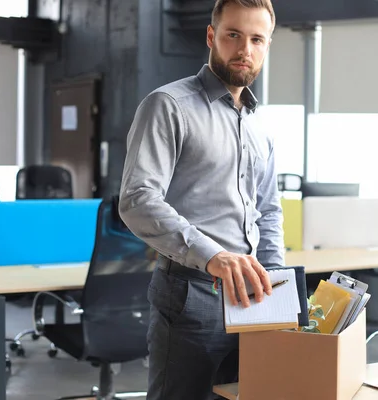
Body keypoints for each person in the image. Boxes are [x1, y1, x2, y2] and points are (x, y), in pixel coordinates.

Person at [118, 0, 284, 398]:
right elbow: (138, 198)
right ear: (212, 36)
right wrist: (212, 255)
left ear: (266, 46)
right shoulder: (169, 106)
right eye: (233, 35)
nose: (245, 49)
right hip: (192, 294)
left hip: (255, 298)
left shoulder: (260, 126)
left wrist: (278, 286)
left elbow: (268, 212)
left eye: (257, 39)